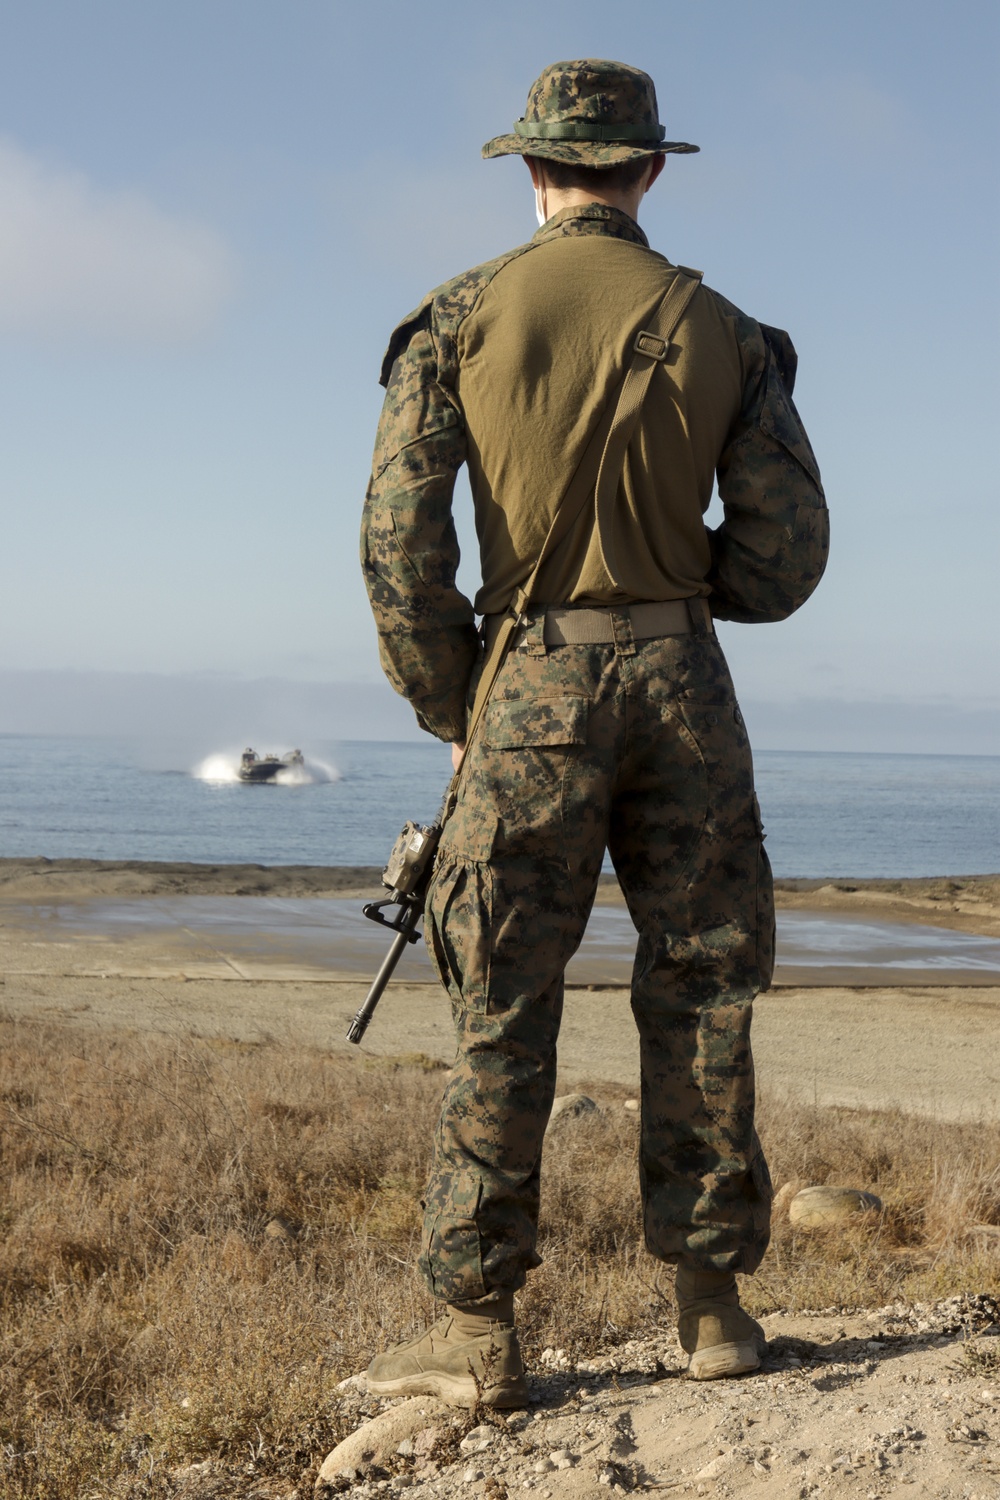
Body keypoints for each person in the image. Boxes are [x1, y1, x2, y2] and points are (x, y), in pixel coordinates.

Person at [360, 58, 828, 1404]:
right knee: (703, 987)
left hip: (526, 690)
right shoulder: (726, 331)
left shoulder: (458, 317)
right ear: (650, 171)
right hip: (684, 683)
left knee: (502, 1001)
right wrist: (687, 596)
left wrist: (461, 705)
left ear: (531, 169)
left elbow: (400, 548)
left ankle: (477, 1335)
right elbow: (788, 558)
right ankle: (712, 1311)